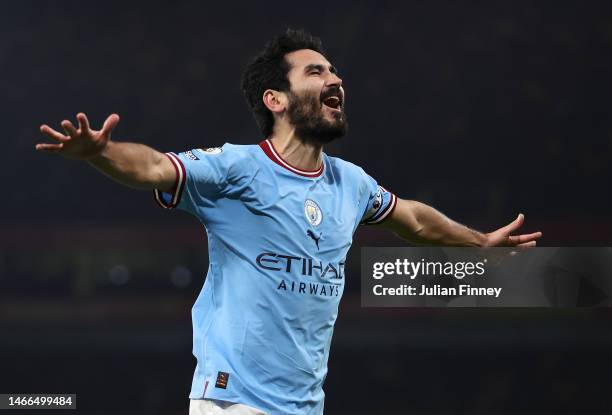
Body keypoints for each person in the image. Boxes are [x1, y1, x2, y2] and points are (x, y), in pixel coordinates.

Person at [36, 29, 542, 415]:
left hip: (304, 406)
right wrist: (99, 154)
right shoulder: (237, 168)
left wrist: (476, 241)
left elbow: (412, 218)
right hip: (233, 404)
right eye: (316, 72)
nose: (336, 80)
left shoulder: (352, 183)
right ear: (275, 99)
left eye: (335, 72)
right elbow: (151, 167)